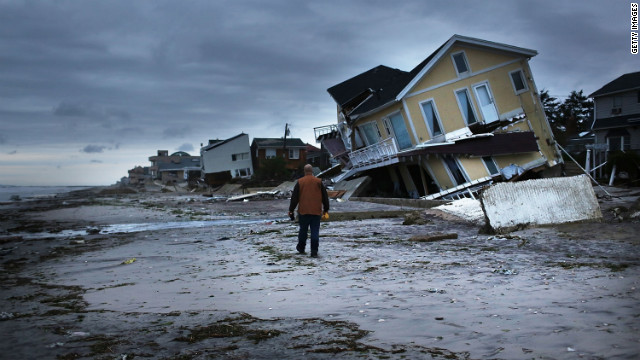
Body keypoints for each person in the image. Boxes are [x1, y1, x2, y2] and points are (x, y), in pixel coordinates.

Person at [289, 164, 329, 257]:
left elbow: (294, 198)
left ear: (304, 171)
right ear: (312, 171)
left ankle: (301, 248)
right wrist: (326, 209)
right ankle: (314, 250)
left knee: (303, 230)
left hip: (303, 211)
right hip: (316, 211)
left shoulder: (300, 182)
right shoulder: (318, 182)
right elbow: (325, 197)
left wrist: (291, 210)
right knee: (315, 231)